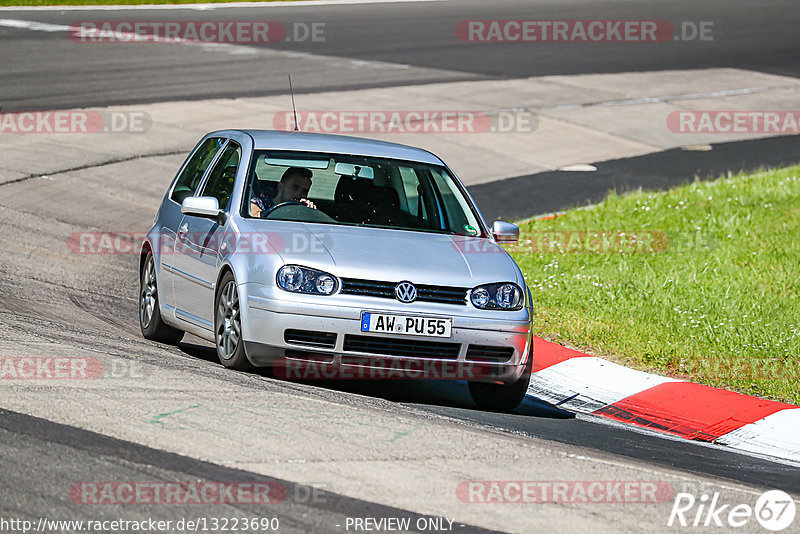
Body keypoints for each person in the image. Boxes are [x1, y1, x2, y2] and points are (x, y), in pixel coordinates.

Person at [250, 167, 316, 218]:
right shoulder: (260, 203)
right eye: (295, 187)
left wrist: (309, 212)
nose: (299, 194)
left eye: (305, 191)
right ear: (280, 187)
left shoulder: (303, 209)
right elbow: (252, 218)